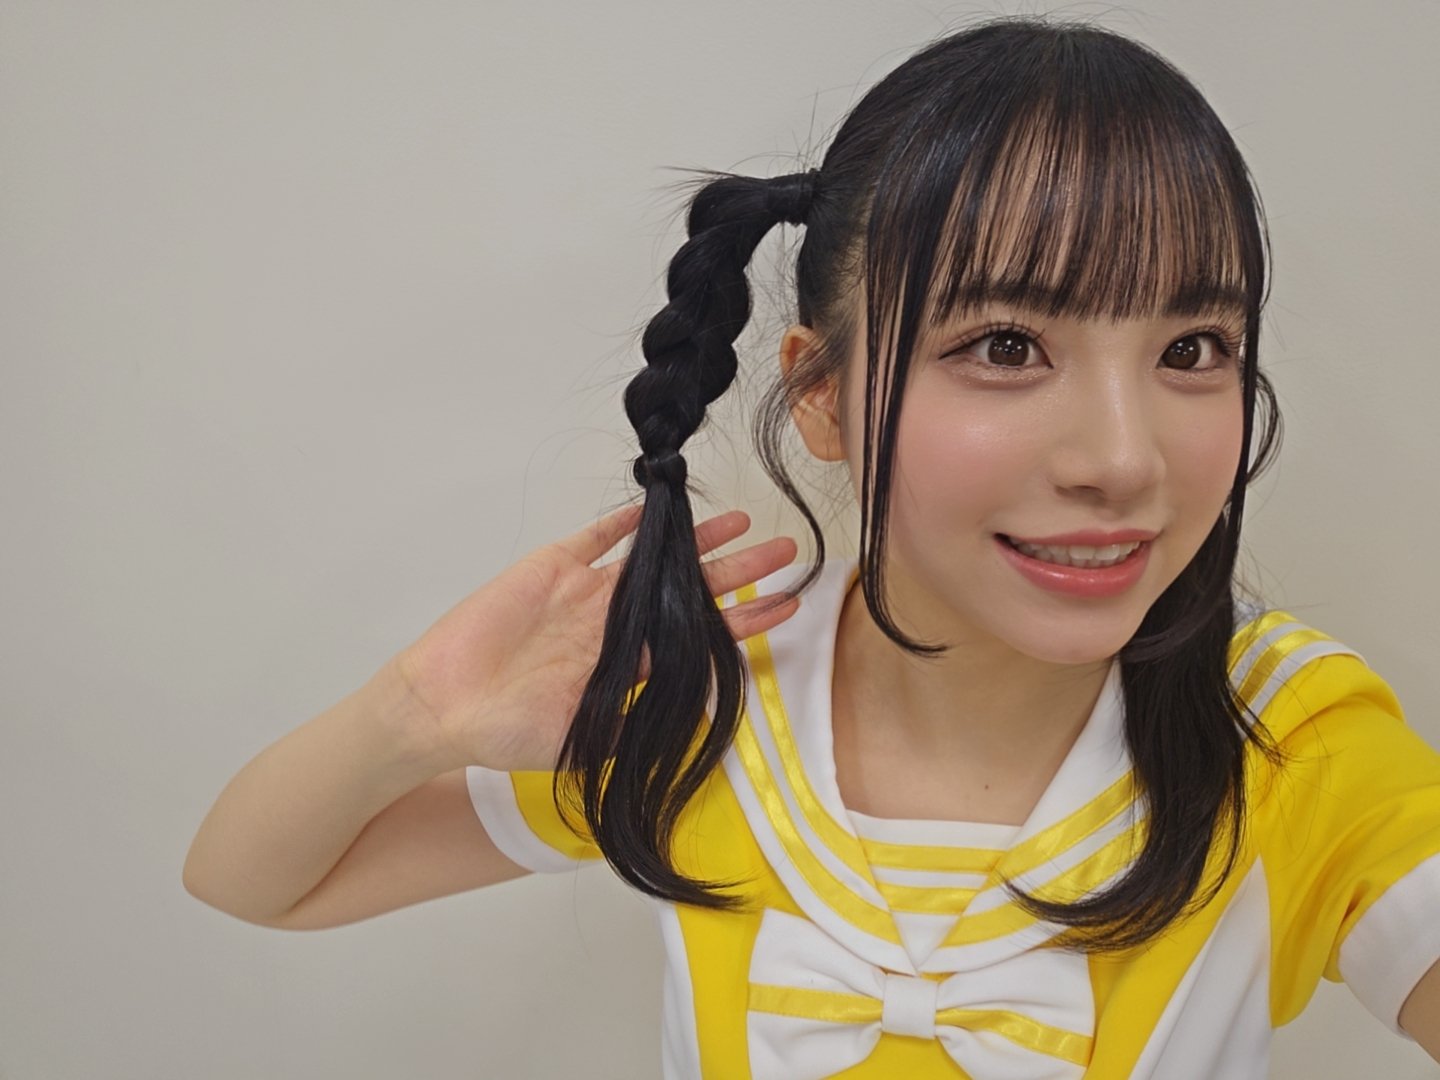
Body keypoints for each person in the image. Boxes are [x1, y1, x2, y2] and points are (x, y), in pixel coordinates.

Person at [182, 13, 1440, 1078]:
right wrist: (417, 712)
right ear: (822, 394)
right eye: (1007, 346)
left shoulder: (1289, 741)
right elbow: (253, 881)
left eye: (1192, 350)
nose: (1122, 458)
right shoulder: (711, 696)